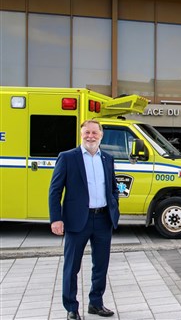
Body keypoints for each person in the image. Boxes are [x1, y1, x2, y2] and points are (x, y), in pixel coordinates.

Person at [49, 120, 120, 320]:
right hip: (77, 221)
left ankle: (96, 303)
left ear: (101, 135)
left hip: (103, 219)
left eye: (94, 133)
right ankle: (71, 307)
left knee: (101, 265)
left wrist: (115, 206)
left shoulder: (107, 158)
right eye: (87, 132)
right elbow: (55, 190)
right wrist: (56, 219)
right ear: (81, 135)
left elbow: (113, 187)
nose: (90, 136)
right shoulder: (68, 157)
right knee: (72, 266)